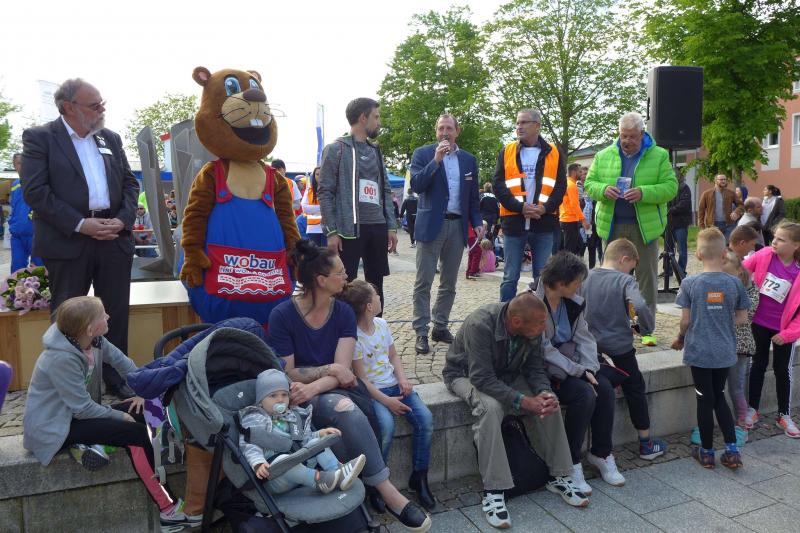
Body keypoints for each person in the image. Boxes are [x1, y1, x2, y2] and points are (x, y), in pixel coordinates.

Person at [267, 240, 430, 531]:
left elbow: (343, 371)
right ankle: (383, 495)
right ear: (321, 280)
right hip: (300, 394)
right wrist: (329, 370)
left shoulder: (342, 312)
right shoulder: (282, 315)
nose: (347, 277)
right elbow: (289, 372)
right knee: (342, 410)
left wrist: (318, 382)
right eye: (341, 272)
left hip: (330, 390)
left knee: (344, 406)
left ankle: (382, 490)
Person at [22, 296, 192, 530]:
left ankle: (161, 455)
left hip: (75, 416)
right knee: (135, 433)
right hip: (54, 427)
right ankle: (168, 510)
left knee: (146, 408)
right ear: (89, 328)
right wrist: (119, 416)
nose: (108, 316)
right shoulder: (60, 358)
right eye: (103, 315)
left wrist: (143, 392)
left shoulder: (96, 340)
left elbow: (126, 366)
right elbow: (82, 408)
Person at [21, 78, 139, 399]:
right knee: (68, 314)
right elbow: (36, 192)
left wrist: (122, 219)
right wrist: (80, 224)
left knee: (114, 312)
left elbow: (130, 184)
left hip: (113, 236)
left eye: (102, 103)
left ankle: (115, 378)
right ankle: (68, 384)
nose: (102, 109)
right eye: (94, 104)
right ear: (68, 107)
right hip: (68, 239)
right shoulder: (40, 138)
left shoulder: (110, 138)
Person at [443, 291, 588, 528]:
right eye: (540, 324)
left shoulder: (532, 327)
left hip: (506, 374)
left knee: (548, 403)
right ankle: (494, 490)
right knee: (490, 408)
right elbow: (481, 378)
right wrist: (523, 401)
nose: (544, 328)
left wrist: (544, 392)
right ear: (517, 322)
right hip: (465, 374)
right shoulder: (481, 324)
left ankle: (560, 474)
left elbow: (534, 368)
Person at [339, 280, 436, 511]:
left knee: (426, 420)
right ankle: (376, 483)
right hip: (374, 393)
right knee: (386, 428)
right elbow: (362, 379)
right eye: (376, 295)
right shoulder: (354, 337)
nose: (380, 297)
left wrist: (402, 379)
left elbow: (393, 356)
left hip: (394, 385)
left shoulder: (382, 324)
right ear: (368, 306)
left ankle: (419, 476)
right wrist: (387, 401)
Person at [584, 111, 677, 347]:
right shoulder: (603, 155)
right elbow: (589, 184)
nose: (627, 140)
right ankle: (611, 325)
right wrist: (603, 189)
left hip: (644, 228)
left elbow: (670, 187)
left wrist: (644, 193)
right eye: (623, 135)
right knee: (611, 279)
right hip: (612, 226)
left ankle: (646, 329)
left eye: (632, 136)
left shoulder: (659, 156)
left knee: (646, 278)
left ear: (642, 134)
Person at [533, 252, 623, 492]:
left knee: (604, 387)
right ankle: (570, 461)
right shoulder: (532, 302)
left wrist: (590, 368)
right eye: (577, 282)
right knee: (584, 394)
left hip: (573, 364)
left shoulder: (573, 302)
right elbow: (543, 349)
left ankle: (601, 453)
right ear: (561, 283)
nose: (580, 286)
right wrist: (580, 372)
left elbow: (585, 337)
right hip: (546, 370)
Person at [581, 239, 669, 461]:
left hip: (590, 344)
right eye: (631, 267)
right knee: (635, 386)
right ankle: (646, 443)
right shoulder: (624, 280)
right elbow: (639, 305)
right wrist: (645, 329)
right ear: (624, 259)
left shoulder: (586, 276)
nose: (631, 272)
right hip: (619, 344)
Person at [671, 228, 748, 469]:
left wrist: (680, 338)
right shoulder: (735, 283)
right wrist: (722, 320)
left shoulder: (690, 283)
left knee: (704, 399)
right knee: (720, 396)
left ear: (698, 255)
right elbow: (742, 318)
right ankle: (732, 451)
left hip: (700, 352)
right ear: (725, 254)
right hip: (725, 351)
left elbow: (685, 321)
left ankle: (706, 451)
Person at [409, 114, 483, 354]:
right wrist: (436, 161)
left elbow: (472, 197)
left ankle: (440, 326)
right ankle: (421, 331)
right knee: (424, 281)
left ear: (457, 131)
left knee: (449, 283)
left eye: (449, 128)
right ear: (436, 131)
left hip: (457, 226)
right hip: (432, 224)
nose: (444, 133)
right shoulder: (423, 154)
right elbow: (416, 185)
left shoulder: (469, 160)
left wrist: (477, 222)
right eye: (441, 128)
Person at [318, 98, 398, 312]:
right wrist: (331, 231)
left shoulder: (376, 150)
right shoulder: (336, 149)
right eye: (376, 117)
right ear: (363, 118)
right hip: (348, 229)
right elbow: (325, 192)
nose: (379, 122)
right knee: (344, 285)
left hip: (377, 226)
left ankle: (376, 327)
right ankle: (344, 328)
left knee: (376, 284)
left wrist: (391, 226)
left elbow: (385, 190)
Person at [238, 369, 366, 495]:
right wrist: (258, 463)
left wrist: (319, 434)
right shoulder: (255, 418)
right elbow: (249, 444)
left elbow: (303, 439)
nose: (280, 399)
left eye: (284, 395)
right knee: (284, 460)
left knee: (317, 442)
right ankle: (320, 480)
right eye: (273, 395)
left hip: (301, 464)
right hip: (275, 476)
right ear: (260, 400)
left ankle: (338, 472)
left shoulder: (292, 415)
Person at [494, 108, 567, 301]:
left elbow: (560, 187)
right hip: (514, 222)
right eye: (517, 122)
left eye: (524, 122)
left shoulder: (554, 152)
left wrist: (544, 208)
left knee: (542, 277)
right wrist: (520, 208)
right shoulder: (507, 151)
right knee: (510, 277)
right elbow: (498, 185)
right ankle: (504, 315)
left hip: (543, 223)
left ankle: (542, 317)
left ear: (537, 126)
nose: (519, 126)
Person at [742, 221, 800, 438]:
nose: (774, 242)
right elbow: (740, 271)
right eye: (774, 237)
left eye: (781, 239)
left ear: (796, 245)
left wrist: (787, 334)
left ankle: (784, 414)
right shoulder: (765, 255)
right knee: (757, 364)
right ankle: (752, 409)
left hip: (783, 331)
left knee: (782, 370)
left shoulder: (797, 271)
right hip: (758, 323)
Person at [721, 252, 758, 434]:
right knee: (718, 387)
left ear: (739, 272)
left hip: (739, 345)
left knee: (736, 387)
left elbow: (743, 316)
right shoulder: (718, 287)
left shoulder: (750, 290)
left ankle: (742, 423)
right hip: (720, 343)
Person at [9, 153, 43, 272]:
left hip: (36, 234)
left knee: (38, 269)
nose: (22, 166)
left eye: (25, 163)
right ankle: (17, 285)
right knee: (17, 268)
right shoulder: (15, 184)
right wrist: (12, 223)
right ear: (14, 166)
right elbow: (13, 206)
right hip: (17, 235)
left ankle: (38, 285)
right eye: (19, 163)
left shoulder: (39, 182)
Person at [697, 174, 743, 242]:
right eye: (721, 179)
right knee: (715, 245)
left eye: (725, 179)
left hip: (729, 224)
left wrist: (736, 212)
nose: (723, 181)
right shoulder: (707, 194)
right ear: (715, 181)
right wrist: (702, 225)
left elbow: (741, 205)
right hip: (713, 225)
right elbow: (701, 210)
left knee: (728, 245)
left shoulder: (731, 193)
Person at [559, 164, 591, 256]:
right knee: (570, 250)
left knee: (578, 245)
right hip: (570, 220)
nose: (581, 174)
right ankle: (567, 265)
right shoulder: (572, 185)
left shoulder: (567, 183)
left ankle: (573, 263)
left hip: (567, 219)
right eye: (580, 171)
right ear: (574, 172)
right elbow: (575, 205)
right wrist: (584, 220)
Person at [667, 170, 692, 274]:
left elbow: (684, 204)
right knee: (668, 249)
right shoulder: (667, 188)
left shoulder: (684, 188)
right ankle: (668, 270)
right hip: (668, 223)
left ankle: (681, 271)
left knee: (681, 249)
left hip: (681, 223)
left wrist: (669, 210)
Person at [301, 166, 327, 247]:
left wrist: (313, 209)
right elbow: (304, 208)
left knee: (325, 252)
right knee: (314, 252)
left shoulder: (330, 189)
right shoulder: (309, 190)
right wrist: (323, 208)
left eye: (321, 174)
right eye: (317, 174)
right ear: (314, 176)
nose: (319, 176)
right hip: (313, 228)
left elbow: (332, 207)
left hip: (327, 227)